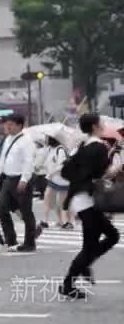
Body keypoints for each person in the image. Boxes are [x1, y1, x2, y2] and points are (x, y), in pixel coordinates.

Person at [59, 114, 120, 299]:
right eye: (101, 123)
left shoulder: (82, 146)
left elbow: (66, 171)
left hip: (79, 198)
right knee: (100, 241)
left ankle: (82, 268)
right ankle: (69, 283)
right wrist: (114, 170)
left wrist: (83, 180)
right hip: (88, 200)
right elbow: (102, 173)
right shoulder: (100, 147)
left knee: (105, 238)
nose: (104, 125)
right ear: (94, 126)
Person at [0, 113, 39, 252]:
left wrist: (24, 179)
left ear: (20, 125)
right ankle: (10, 239)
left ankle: (30, 243)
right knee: (2, 209)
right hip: (7, 178)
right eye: (6, 124)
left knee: (26, 212)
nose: (7, 126)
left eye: (10, 124)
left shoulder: (27, 141)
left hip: (20, 180)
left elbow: (28, 162)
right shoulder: (8, 139)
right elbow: (3, 159)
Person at [41, 136, 71, 229]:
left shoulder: (60, 149)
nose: (46, 140)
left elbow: (61, 166)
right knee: (47, 199)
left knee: (61, 203)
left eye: (47, 138)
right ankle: (45, 221)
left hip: (62, 180)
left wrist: (51, 173)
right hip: (52, 179)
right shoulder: (50, 149)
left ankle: (65, 222)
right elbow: (46, 163)